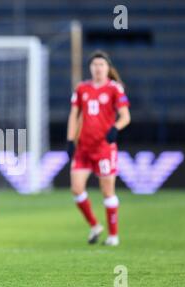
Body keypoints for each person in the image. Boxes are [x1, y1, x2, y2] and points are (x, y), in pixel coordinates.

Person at [66, 50, 131, 246]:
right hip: (84, 148)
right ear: (90, 68)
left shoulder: (115, 89)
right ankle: (95, 225)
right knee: (76, 189)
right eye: (94, 65)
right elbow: (74, 115)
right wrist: (70, 140)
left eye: (101, 65)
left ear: (108, 68)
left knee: (107, 191)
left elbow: (126, 116)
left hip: (104, 148)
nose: (98, 68)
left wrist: (115, 128)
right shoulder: (82, 88)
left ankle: (113, 235)